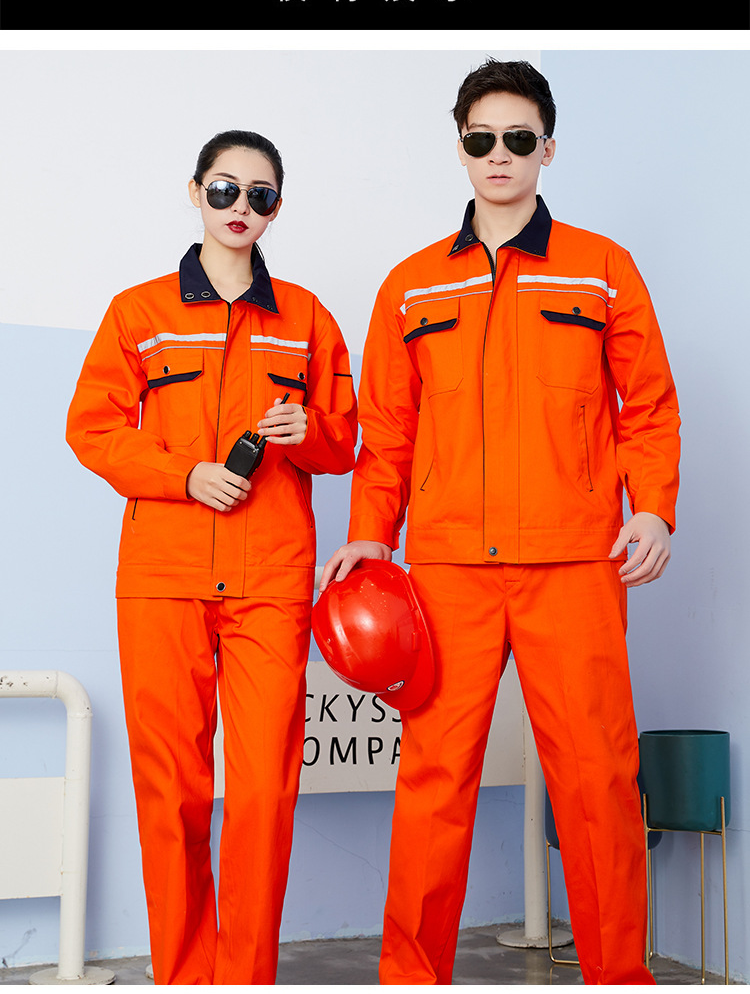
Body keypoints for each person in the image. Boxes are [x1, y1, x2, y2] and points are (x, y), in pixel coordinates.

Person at [321, 60, 680, 986]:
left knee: (597, 783)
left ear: (548, 149)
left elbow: (647, 403)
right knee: (434, 781)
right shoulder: (411, 285)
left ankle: (619, 978)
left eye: (520, 138)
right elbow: (387, 430)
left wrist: (653, 506)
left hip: (576, 561)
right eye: (482, 138)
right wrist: (371, 530)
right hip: (449, 571)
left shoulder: (602, 268)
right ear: (461, 148)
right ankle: (412, 977)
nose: (500, 155)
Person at [67, 130, 358, 985]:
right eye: (225, 188)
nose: (240, 207)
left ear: (277, 208)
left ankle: (246, 977)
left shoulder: (305, 317)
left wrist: (309, 431)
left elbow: (345, 440)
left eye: (259, 195)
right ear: (194, 191)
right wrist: (183, 474)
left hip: (271, 577)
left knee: (264, 790)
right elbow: (92, 427)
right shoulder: (139, 312)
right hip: (164, 577)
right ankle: (184, 976)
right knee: (172, 790)